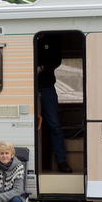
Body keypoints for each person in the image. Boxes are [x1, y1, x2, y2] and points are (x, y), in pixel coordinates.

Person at [37, 35, 72, 173]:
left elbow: (56, 61)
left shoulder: (52, 39)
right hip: (26, 86)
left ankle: (61, 161)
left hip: (46, 87)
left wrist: (41, 67)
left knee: (54, 125)